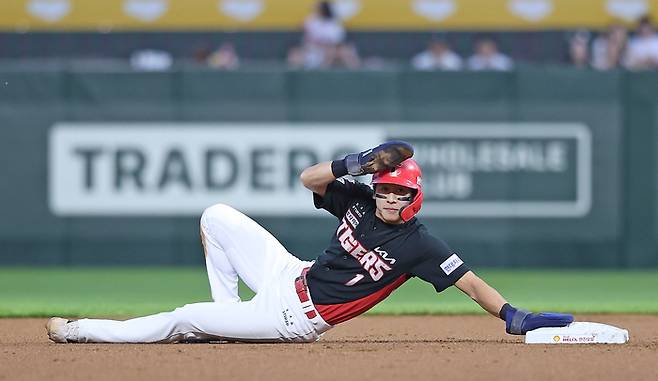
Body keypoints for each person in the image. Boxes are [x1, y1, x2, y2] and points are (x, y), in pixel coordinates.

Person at [46, 141, 573, 344]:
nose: (388, 198)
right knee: (216, 216)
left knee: (182, 316)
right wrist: (360, 166)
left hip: (294, 319)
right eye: (384, 188)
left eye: (398, 191)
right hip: (288, 275)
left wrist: (512, 314)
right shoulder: (362, 200)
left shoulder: (419, 244)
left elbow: (469, 281)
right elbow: (310, 179)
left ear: (415, 196)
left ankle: (80, 332)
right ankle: (223, 318)